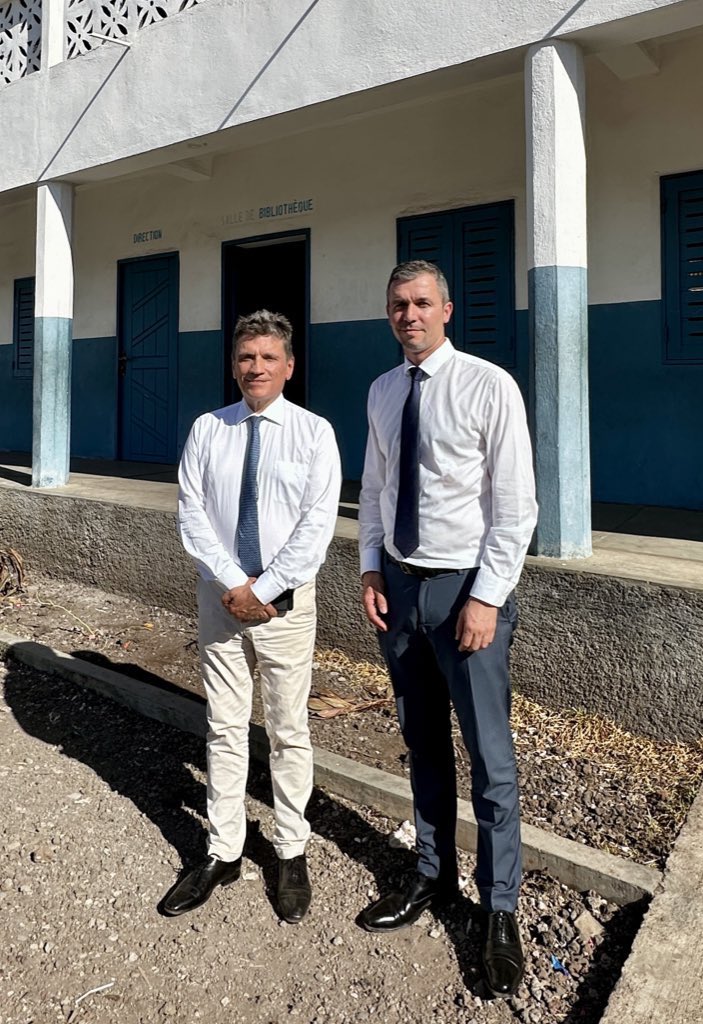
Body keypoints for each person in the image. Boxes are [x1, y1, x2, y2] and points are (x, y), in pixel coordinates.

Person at [357, 261, 537, 998]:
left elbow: (516, 505)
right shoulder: (382, 389)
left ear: (448, 309)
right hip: (400, 589)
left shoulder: (489, 386)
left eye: (422, 303)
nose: (410, 315)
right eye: (398, 304)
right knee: (423, 742)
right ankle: (432, 875)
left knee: (489, 756)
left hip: (466, 592)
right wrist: (371, 568)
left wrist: (487, 598)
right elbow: (373, 487)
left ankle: (499, 910)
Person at [163, 309, 341, 923]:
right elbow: (192, 513)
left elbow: (317, 526)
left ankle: (291, 848)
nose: (256, 368)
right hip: (222, 601)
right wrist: (237, 585)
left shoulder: (315, 433)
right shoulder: (208, 429)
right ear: (233, 364)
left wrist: (265, 587)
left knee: (288, 728)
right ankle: (223, 848)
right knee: (224, 725)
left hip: (286, 604)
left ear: (289, 367)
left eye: (268, 358)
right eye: (246, 358)